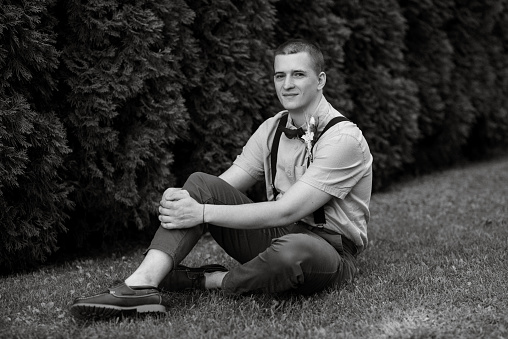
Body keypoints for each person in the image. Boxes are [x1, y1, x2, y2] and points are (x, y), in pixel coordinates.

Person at [70, 39, 373, 319]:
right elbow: (222, 186)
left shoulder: (343, 139)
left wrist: (201, 212)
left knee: (293, 251)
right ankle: (142, 285)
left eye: (298, 75)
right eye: (280, 76)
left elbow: (288, 210)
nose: (287, 84)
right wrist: (187, 199)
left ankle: (210, 280)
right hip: (278, 232)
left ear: (320, 80)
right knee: (200, 184)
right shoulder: (272, 127)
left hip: (329, 250)